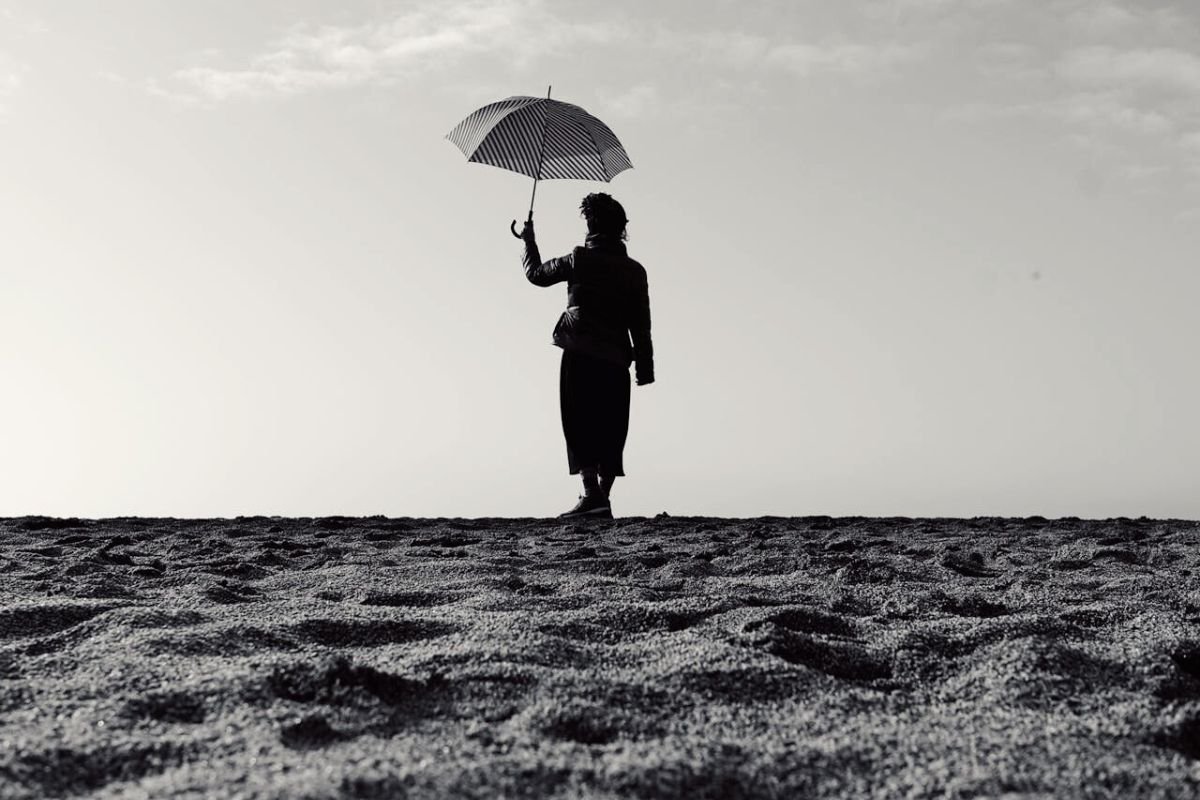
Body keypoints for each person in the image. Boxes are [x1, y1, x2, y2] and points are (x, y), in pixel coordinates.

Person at [520, 193, 654, 519]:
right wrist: (645, 368)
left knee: (579, 423)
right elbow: (641, 324)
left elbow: (536, 274)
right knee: (611, 427)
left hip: (580, 352)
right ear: (621, 229)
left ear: (591, 226)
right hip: (616, 358)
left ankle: (592, 494)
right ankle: (600, 498)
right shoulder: (635, 271)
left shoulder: (579, 259)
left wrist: (529, 241)